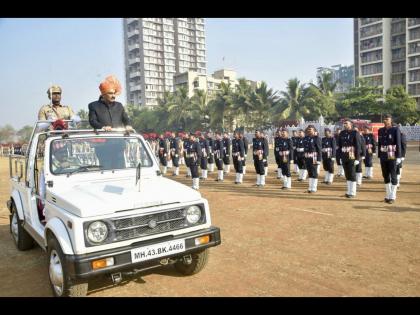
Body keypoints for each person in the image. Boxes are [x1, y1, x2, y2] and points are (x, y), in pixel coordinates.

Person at [378, 115, 402, 203]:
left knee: (393, 175)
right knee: (385, 175)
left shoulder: (395, 130)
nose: (385, 120)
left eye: (387, 119)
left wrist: (398, 157)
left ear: (391, 120)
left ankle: (393, 196)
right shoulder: (380, 130)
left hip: (392, 155)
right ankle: (388, 195)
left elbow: (398, 143)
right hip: (383, 155)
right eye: (384, 119)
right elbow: (380, 144)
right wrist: (379, 155)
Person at [337, 119, 361, 198]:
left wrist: (357, 158)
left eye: (346, 123)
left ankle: (353, 192)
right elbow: (340, 146)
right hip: (344, 155)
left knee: (352, 173)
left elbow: (358, 146)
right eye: (344, 124)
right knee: (347, 174)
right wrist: (340, 157)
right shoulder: (342, 133)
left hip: (352, 155)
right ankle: (348, 191)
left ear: (351, 124)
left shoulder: (355, 133)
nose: (344, 125)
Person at [303, 125, 322, 193]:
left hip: (314, 157)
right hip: (307, 157)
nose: (309, 130)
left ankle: (314, 188)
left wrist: (319, 160)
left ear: (314, 130)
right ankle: (310, 187)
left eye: (310, 129)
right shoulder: (306, 138)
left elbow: (319, 149)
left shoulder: (317, 138)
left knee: (314, 172)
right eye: (308, 129)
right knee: (310, 173)